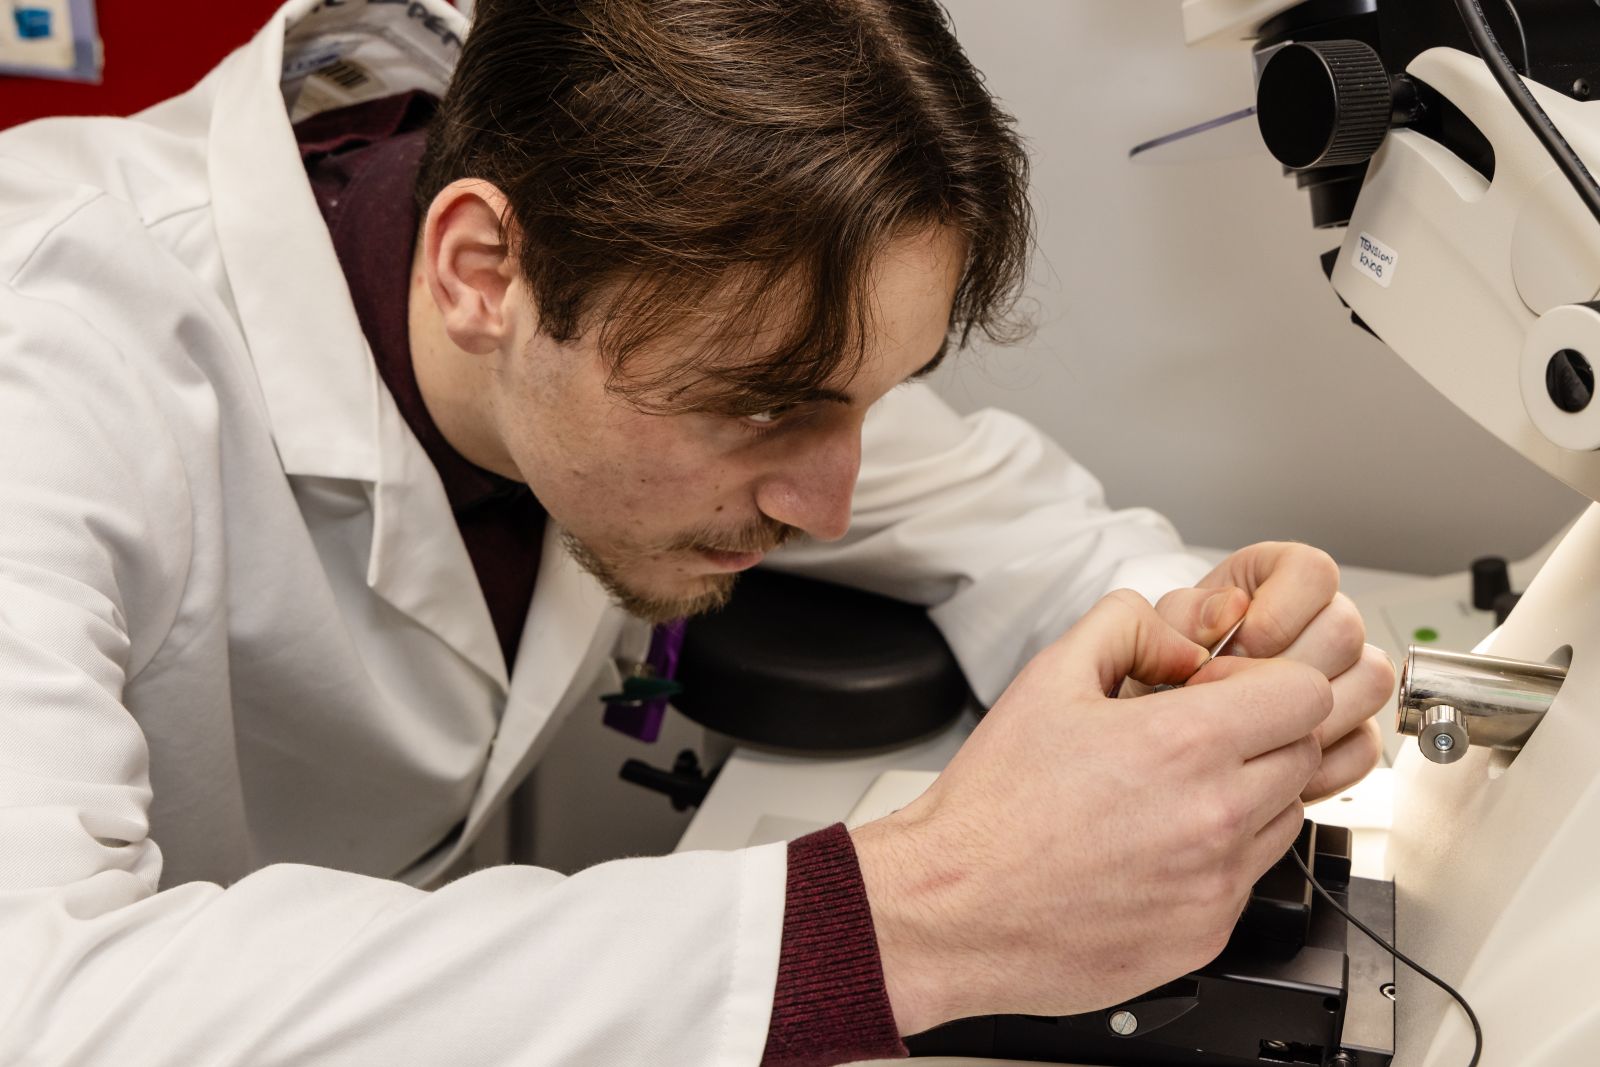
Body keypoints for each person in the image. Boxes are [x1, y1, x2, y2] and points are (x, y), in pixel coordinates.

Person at [0, 0, 1390, 1063]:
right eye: (767, 408)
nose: (830, 504)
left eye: (868, 397)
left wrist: (1228, 666)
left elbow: (1035, 536)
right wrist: (908, 913)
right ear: (482, 273)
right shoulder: (52, 352)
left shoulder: (663, 256)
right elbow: (48, 1009)